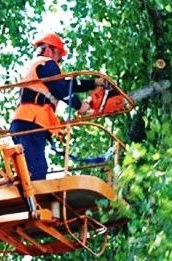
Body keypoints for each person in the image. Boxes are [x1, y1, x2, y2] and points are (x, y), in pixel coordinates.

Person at [9, 32, 105, 181]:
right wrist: (80, 106)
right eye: (59, 55)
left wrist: (95, 83)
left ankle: (29, 198)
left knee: (29, 168)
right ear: (49, 49)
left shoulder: (39, 67)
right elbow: (60, 88)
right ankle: (33, 202)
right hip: (31, 122)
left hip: (24, 121)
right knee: (37, 170)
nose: (59, 61)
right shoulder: (46, 63)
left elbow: (67, 84)